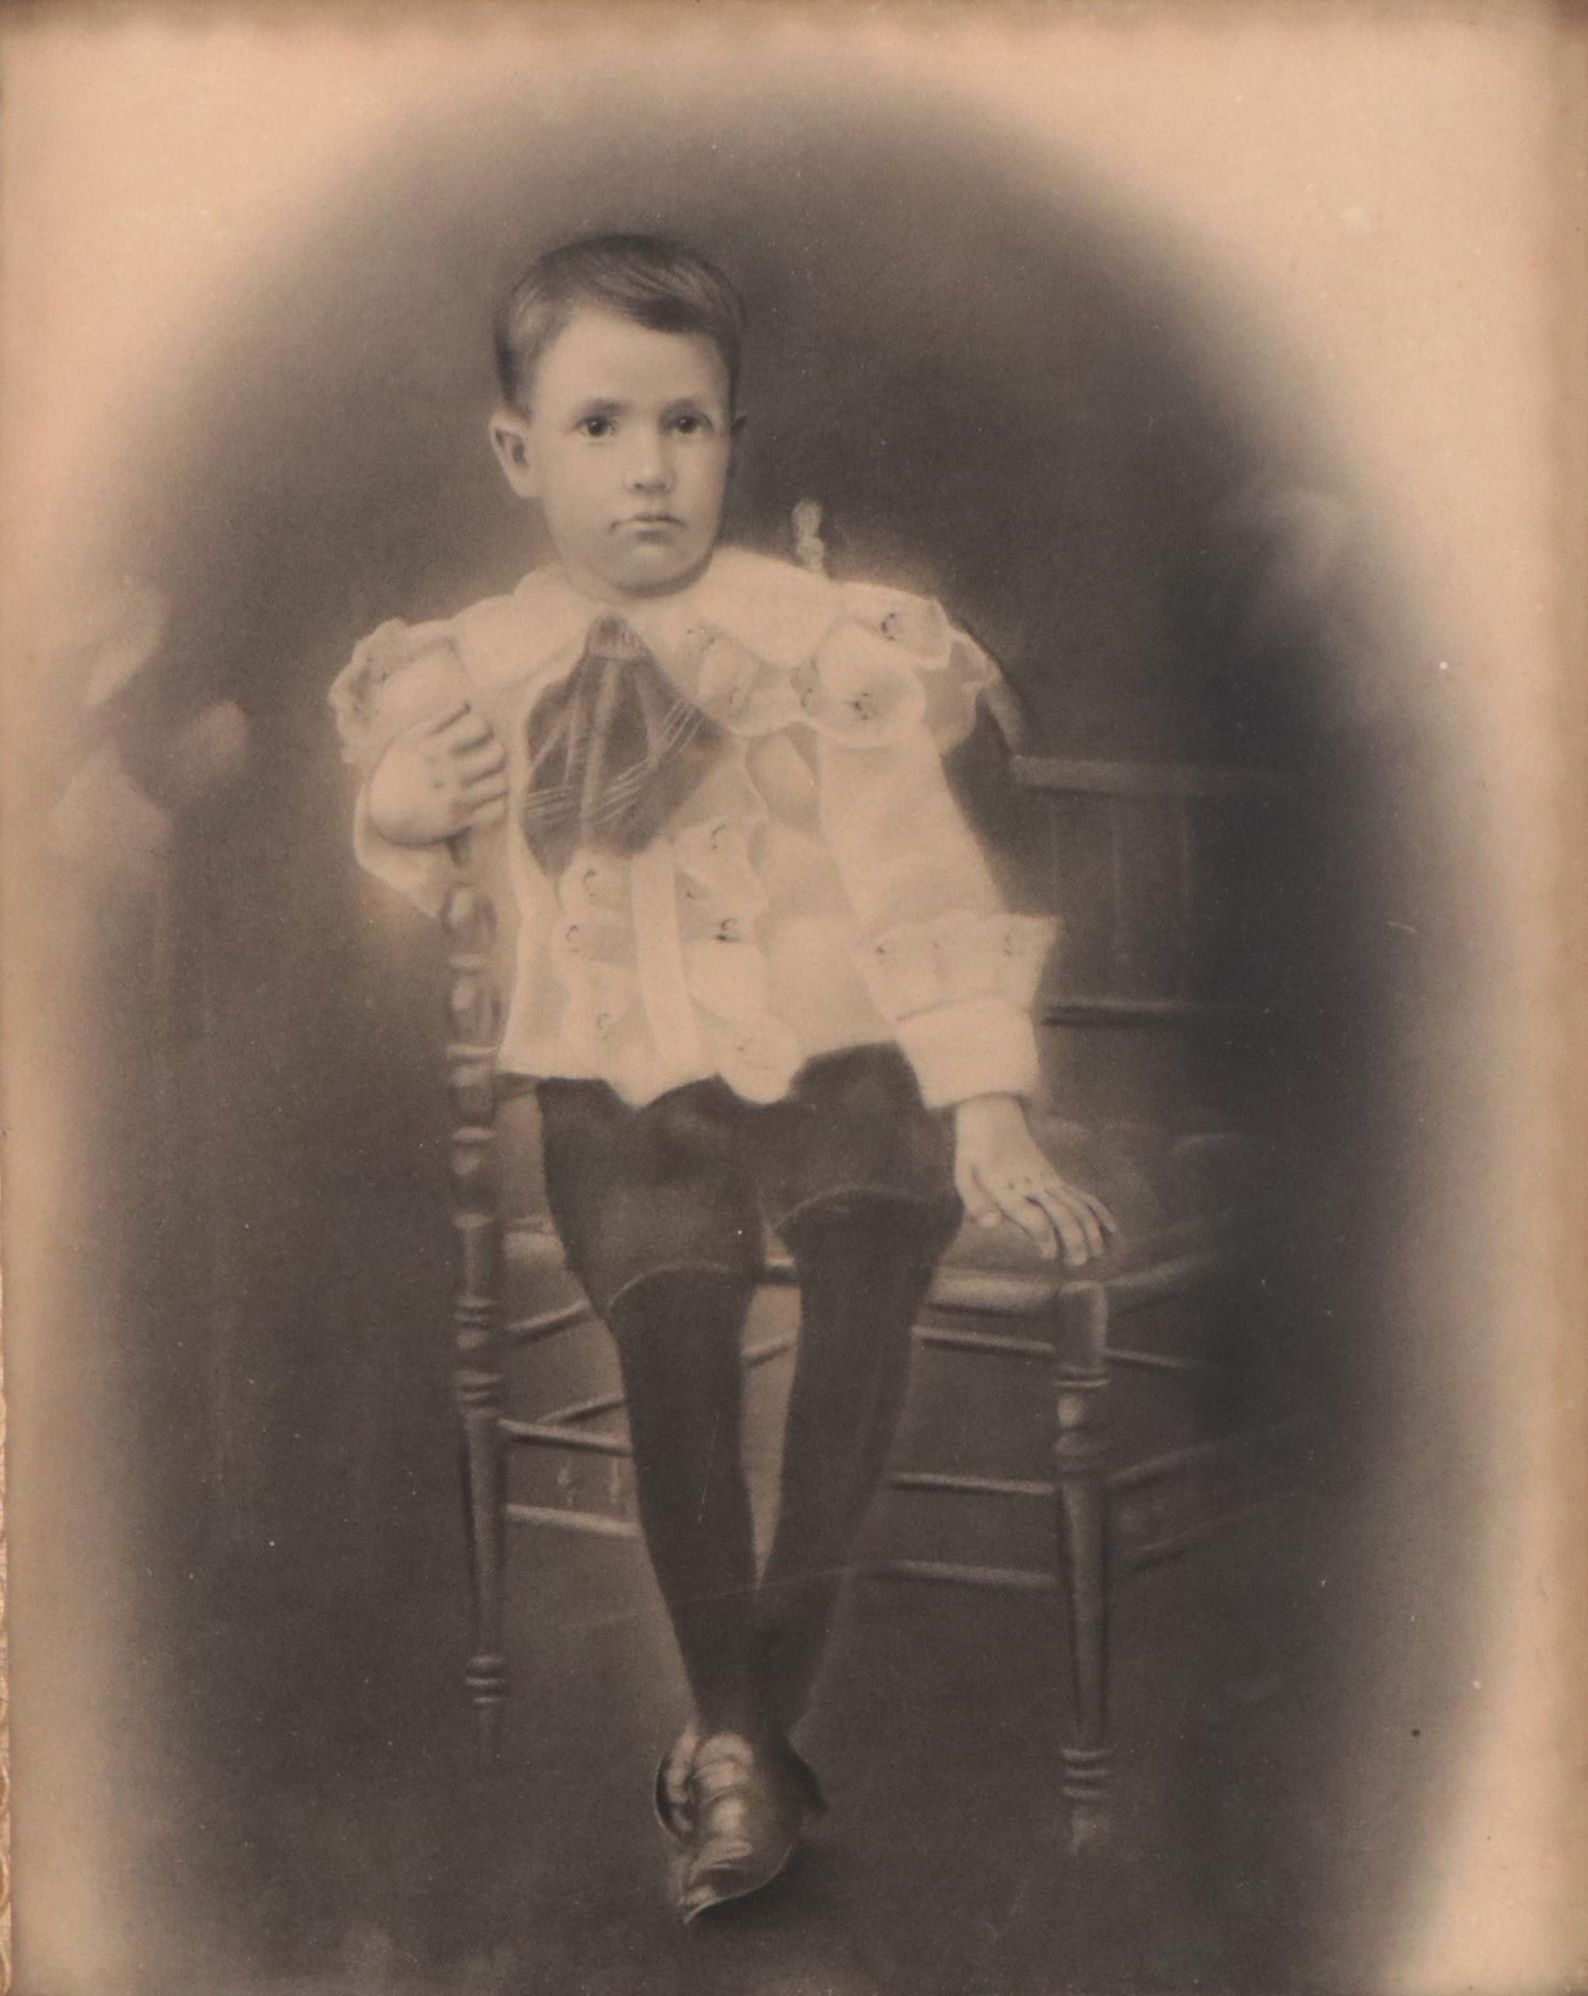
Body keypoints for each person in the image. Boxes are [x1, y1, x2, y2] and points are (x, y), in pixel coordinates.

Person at [330, 233, 1115, 1919]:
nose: (650, 472)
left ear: (733, 440)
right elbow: (428, 844)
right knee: (673, 1331)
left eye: (688, 426)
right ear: (517, 452)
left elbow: (919, 879)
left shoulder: (820, 646)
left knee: (868, 1267)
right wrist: (401, 812)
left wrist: (985, 1099)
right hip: (622, 1086)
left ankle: (738, 1740)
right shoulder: (480, 666)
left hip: (845, 1064)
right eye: (602, 428)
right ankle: (743, 1731)